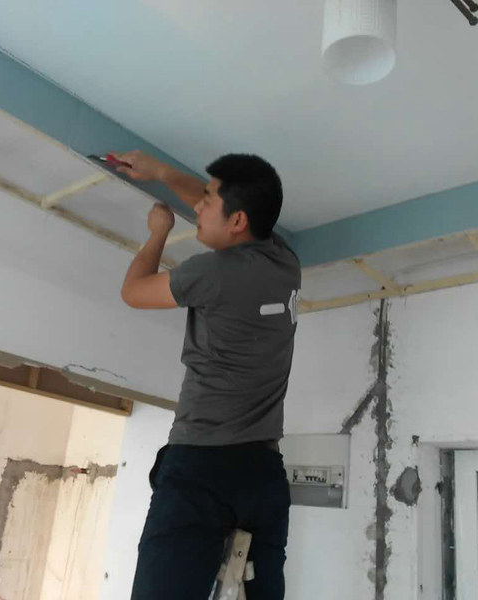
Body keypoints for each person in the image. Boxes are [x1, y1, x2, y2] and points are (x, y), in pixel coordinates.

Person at [115, 150, 301, 600]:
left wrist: (158, 233)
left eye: (207, 200)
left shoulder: (213, 273)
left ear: (237, 220)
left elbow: (134, 292)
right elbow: (217, 206)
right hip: (261, 474)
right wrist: (161, 173)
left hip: (201, 468)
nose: (197, 205)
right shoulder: (284, 262)